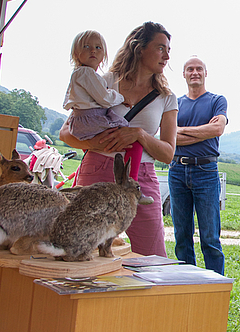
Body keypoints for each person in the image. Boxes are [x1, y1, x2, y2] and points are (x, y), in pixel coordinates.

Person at [60, 21, 177, 257]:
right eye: (160, 48)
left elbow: (167, 153)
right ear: (139, 48)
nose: (166, 57)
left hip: (141, 178)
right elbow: (66, 133)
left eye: (168, 51)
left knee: (152, 257)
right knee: (81, 249)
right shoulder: (103, 82)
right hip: (97, 168)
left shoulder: (167, 98)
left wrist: (139, 135)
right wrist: (98, 143)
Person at [168, 57, 228, 275]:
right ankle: (187, 285)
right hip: (177, 171)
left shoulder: (217, 100)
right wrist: (203, 131)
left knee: (210, 237)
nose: (195, 72)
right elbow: (167, 137)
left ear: (205, 73)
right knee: (181, 236)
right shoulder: (174, 103)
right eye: (190, 69)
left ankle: (216, 288)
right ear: (183, 74)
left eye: (199, 69)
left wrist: (181, 132)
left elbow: (217, 129)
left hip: (206, 172)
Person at [63, 30, 143, 180]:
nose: (93, 50)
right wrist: (120, 97)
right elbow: (104, 98)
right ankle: (130, 181)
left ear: (104, 55)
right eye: (86, 47)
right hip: (92, 119)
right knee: (134, 142)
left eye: (98, 47)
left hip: (85, 118)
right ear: (76, 53)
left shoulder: (82, 74)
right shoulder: (86, 73)